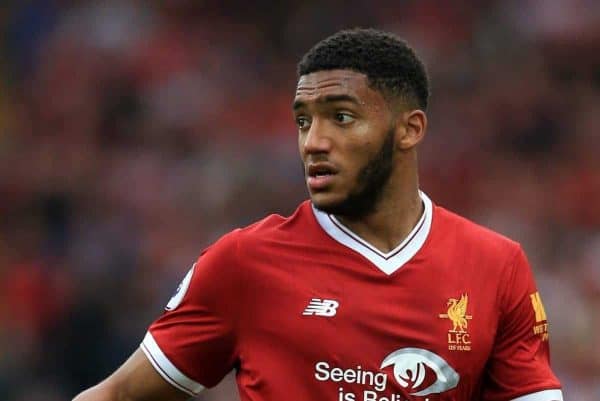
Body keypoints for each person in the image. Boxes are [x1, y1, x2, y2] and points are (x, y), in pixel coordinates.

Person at [73, 28, 563, 401]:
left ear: (409, 130)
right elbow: (116, 394)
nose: (314, 142)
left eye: (341, 117)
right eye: (303, 121)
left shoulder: (496, 266)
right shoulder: (246, 262)